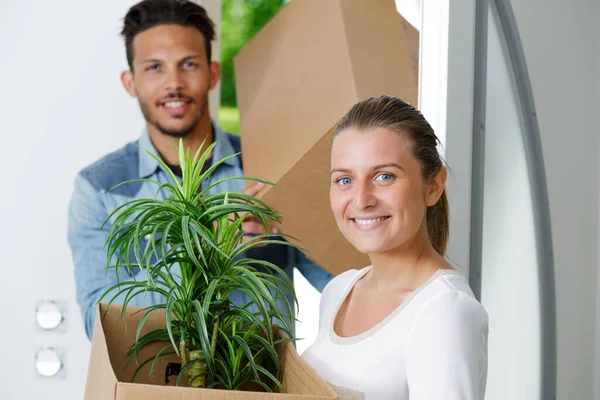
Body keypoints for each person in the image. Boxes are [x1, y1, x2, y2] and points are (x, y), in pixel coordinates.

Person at [68, 0, 332, 340]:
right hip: (158, 388)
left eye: (188, 64)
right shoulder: (98, 188)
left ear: (212, 73)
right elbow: (99, 324)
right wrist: (208, 251)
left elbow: (343, 281)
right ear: (130, 82)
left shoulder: (269, 165)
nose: (173, 83)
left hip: (262, 386)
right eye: (154, 68)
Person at [302, 95, 488, 399]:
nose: (362, 200)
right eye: (345, 180)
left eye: (384, 176)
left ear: (433, 186)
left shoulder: (444, 311)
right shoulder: (339, 291)